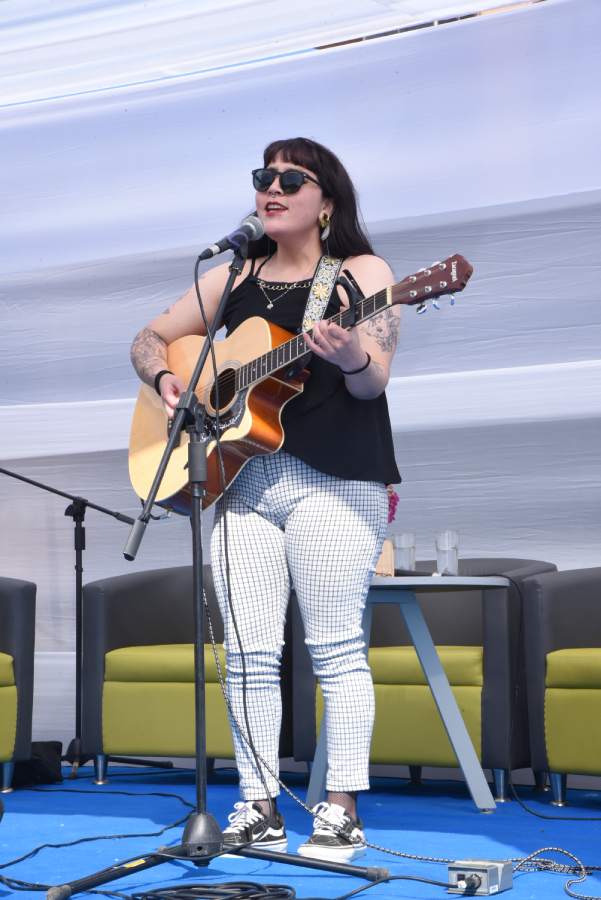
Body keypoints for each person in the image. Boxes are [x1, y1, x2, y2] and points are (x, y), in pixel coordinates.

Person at [130, 137, 401, 862]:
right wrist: (166, 381)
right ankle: (257, 805)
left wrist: (350, 355)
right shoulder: (234, 274)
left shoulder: (361, 273)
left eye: (291, 178)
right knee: (247, 655)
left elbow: (373, 378)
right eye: (263, 176)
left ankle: (339, 809)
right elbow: (150, 337)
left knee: (335, 650)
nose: (272, 187)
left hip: (335, 481)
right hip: (242, 483)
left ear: (326, 202)